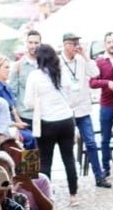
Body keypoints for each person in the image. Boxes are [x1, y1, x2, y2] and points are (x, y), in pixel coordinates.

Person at [24, 44, 80, 198]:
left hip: (47, 122)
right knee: (69, 158)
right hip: (67, 120)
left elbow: (28, 102)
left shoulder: (34, 76)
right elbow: (70, 95)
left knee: (45, 161)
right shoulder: (62, 73)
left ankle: (44, 196)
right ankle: (73, 194)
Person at [60, 33, 109, 189]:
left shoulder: (81, 60)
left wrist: (86, 56)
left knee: (91, 143)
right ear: (65, 44)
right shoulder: (59, 62)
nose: (76, 46)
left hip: (83, 109)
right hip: (66, 110)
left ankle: (99, 176)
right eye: (73, 44)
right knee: (67, 147)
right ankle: (72, 180)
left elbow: (95, 73)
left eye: (77, 43)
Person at [89, 32, 113, 175]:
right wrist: (107, 83)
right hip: (106, 104)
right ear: (105, 44)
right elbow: (92, 82)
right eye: (109, 42)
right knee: (105, 138)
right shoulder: (100, 61)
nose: (112, 45)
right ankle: (106, 168)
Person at [13, 29, 43, 139]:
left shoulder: (46, 65)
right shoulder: (18, 66)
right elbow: (12, 95)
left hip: (44, 115)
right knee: (30, 154)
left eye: (36, 43)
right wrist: (17, 119)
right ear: (26, 44)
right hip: (26, 116)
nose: (33, 46)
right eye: (30, 42)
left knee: (45, 151)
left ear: (40, 44)